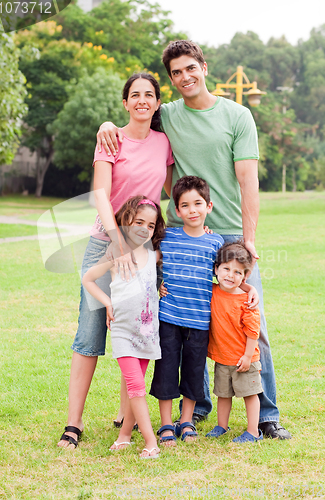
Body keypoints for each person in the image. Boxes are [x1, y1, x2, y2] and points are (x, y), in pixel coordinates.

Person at [96, 40, 292, 440]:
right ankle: (198, 406)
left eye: (190, 68)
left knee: (250, 318)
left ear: (204, 67)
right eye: (176, 73)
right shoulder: (168, 114)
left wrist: (249, 239)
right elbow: (137, 115)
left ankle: (267, 413)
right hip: (186, 233)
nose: (185, 77)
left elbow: (247, 180)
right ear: (171, 79)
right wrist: (107, 127)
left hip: (230, 234)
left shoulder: (237, 115)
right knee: (192, 317)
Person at [57, 73, 174, 449]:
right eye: (135, 95)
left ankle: (127, 417)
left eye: (149, 95)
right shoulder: (110, 138)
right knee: (90, 332)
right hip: (105, 243)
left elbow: (171, 188)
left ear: (157, 103)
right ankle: (73, 424)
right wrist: (117, 243)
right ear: (125, 103)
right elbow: (100, 195)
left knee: (138, 330)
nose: (142, 100)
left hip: (145, 250)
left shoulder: (164, 143)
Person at [150, 176, 258, 446]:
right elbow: (146, 262)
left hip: (200, 322)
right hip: (169, 318)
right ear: (177, 211)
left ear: (209, 206)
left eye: (198, 203)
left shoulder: (215, 242)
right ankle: (166, 424)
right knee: (165, 370)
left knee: (193, 371)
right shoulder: (167, 237)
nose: (192, 210)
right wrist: (157, 285)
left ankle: (186, 421)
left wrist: (249, 289)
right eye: (185, 205)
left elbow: (228, 274)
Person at [82, 196, 165, 458]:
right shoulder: (117, 254)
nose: (144, 228)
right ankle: (151, 441)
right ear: (125, 221)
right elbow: (89, 278)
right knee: (135, 386)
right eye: (138, 221)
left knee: (136, 386)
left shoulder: (154, 253)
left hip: (148, 331)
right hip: (123, 330)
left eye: (150, 225)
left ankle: (125, 435)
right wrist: (107, 302)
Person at [206, 241, 263, 443]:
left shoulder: (247, 300)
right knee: (223, 394)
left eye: (238, 272)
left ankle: (253, 431)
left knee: (250, 394)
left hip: (244, 358)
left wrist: (248, 356)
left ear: (245, 276)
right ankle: (222, 425)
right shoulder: (211, 291)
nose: (231, 275)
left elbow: (253, 332)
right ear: (216, 269)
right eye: (226, 269)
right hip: (222, 357)